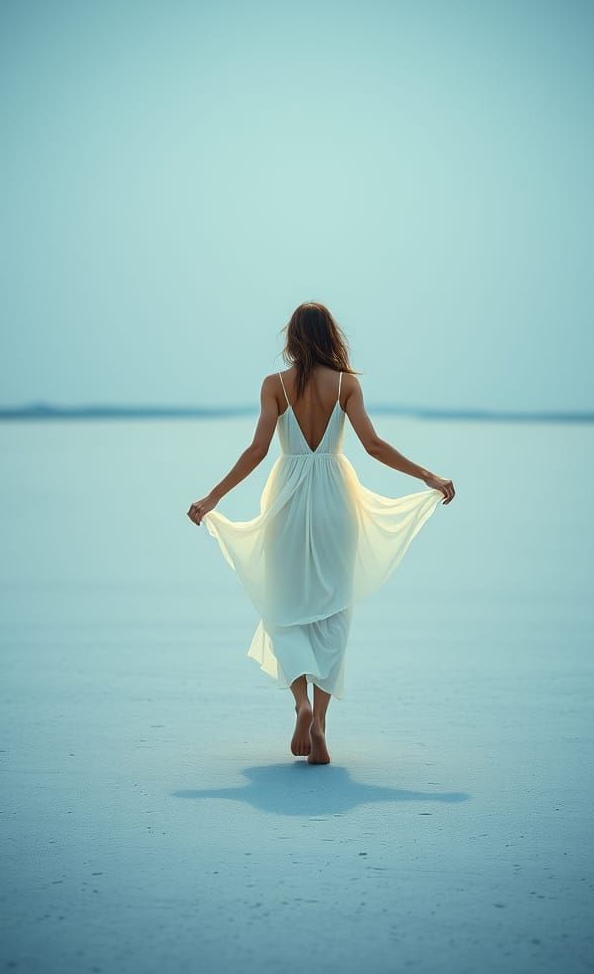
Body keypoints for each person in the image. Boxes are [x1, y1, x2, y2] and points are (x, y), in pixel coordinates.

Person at [186, 303, 455, 765]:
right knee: (334, 609)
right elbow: (372, 446)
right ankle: (321, 721)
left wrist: (213, 497)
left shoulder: (275, 386)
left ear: (292, 337)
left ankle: (301, 703)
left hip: (287, 499)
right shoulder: (347, 384)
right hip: (335, 501)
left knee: (283, 605)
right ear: (332, 335)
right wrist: (427, 475)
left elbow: (256, 450)